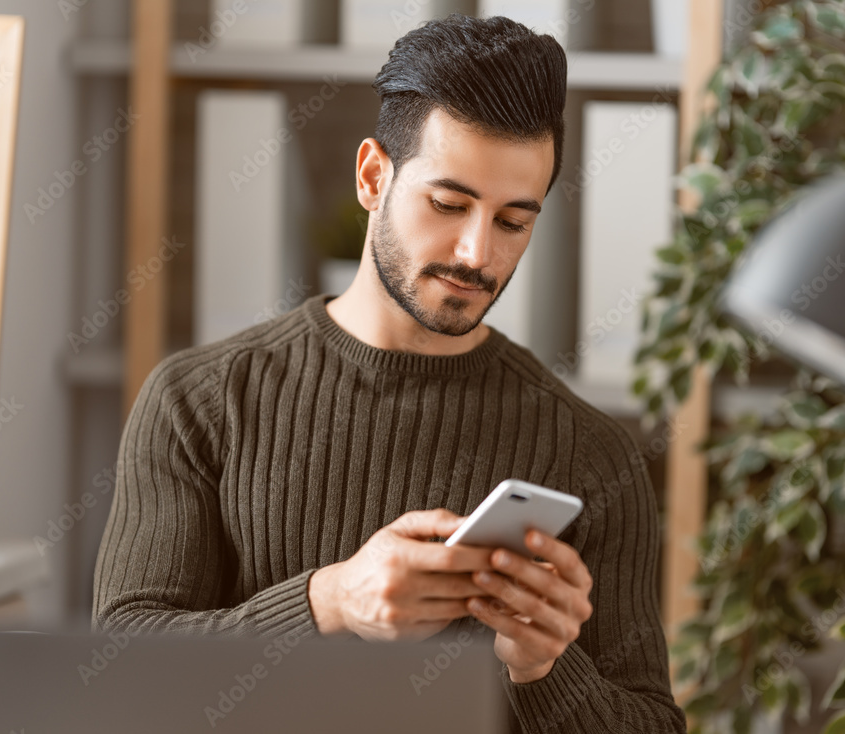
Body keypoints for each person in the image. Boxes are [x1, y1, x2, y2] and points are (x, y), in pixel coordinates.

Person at [92, 13, 686, 733]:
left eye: (513, 221)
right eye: (449, 204)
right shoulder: (198, 403)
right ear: (373, 176)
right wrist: (330, 603)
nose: (477, 254)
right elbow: (120, 681)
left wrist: (544, 670)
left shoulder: (594, 456)